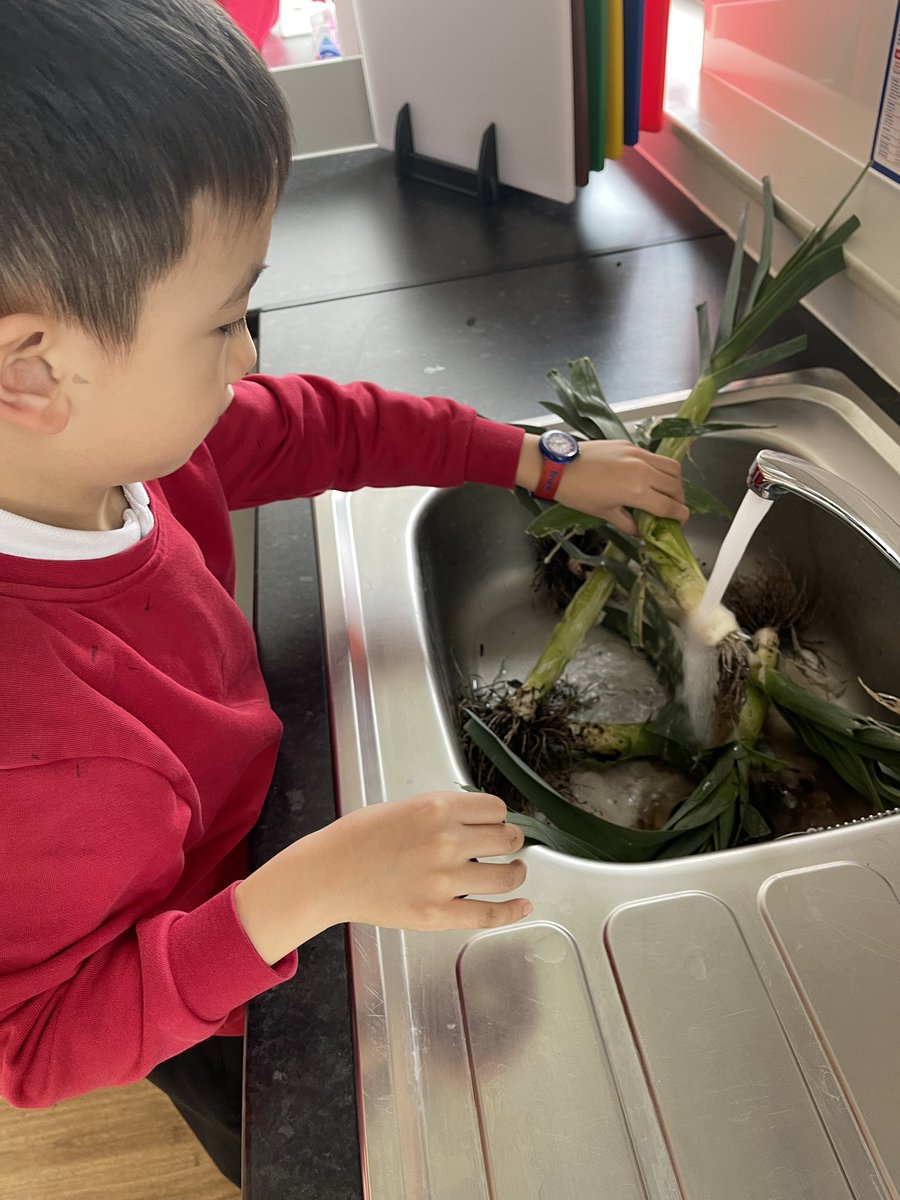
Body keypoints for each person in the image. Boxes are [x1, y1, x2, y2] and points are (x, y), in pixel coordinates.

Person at [0, 0, 688, 1189]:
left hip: (256, 863)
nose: (247, 359)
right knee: (279, 1135)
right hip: (215, 983)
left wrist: (540, 461)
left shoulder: (124, 452)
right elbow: (42, 1041)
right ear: (34, 370)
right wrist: (301, 891)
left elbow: (324, 425)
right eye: (223, 322)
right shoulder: (39, 758)